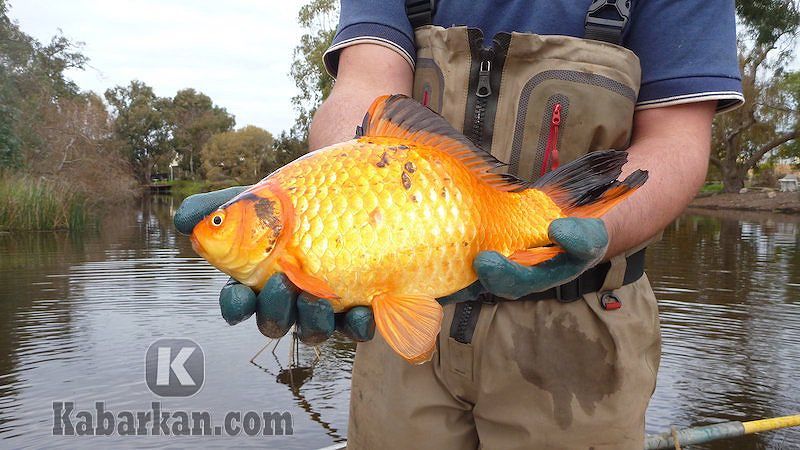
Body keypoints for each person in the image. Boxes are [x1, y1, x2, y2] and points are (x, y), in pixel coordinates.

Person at [174, 1, 743, 448]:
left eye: (225, 222)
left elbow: (677, 139)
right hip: (399, 333)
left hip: (584, 335)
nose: (213, 232)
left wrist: (583, 234)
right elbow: (363, 87)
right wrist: (346, 179)